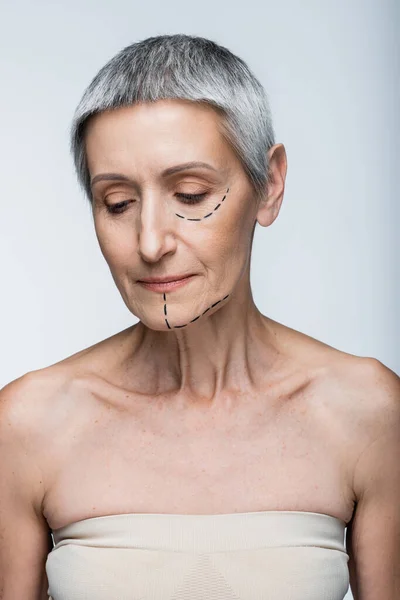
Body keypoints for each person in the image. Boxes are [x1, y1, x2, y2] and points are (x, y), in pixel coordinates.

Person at [0, 33, 399, 600]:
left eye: (190, 194)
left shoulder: (367, 413)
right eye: (117, 202)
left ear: (270, 185)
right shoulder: (27, 425)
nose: (150, 241)